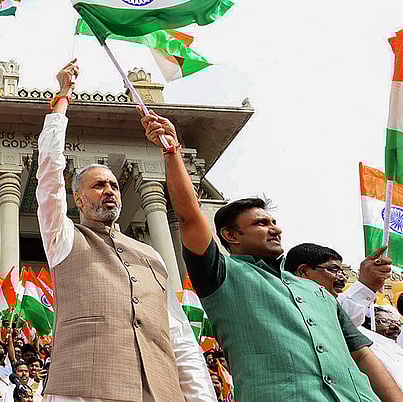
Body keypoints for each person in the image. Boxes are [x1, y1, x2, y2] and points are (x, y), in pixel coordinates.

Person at [141, 109, 403, 401]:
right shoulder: (222, 276)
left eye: (273, 222)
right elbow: (189, 216)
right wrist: (172, 152)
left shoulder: (318, 292)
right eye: (261, 224)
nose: (275, 229)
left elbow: (362, 355)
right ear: (231, 236)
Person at [36, 60, 215, 402]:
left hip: (160, 393)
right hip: (84, 389)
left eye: (114, 186)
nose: (109, 191)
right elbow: (49, 175)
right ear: (77, 198)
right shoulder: (65, 239)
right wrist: (62, 100)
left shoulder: (151, 256)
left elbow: (179, 337)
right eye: (98, 185)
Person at [287, 242, 403, 389]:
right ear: (304, 271)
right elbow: (333, 319)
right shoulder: (295, 315)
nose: (342, 278)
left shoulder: (364, 332)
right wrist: (366, 286)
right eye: (333, 270)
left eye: (342, 272)